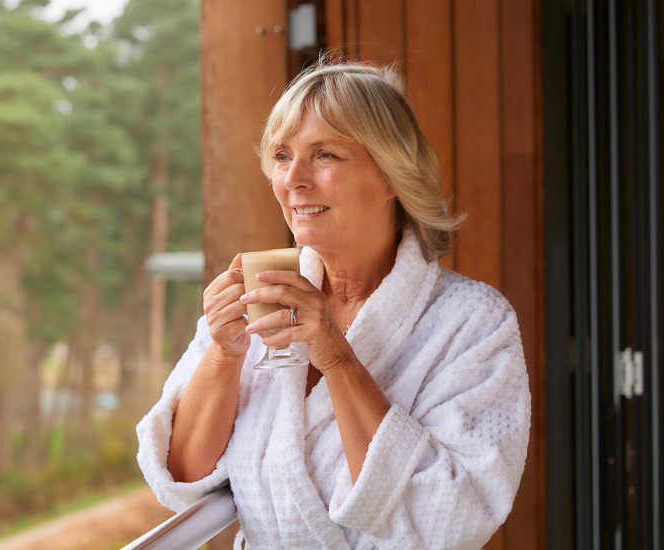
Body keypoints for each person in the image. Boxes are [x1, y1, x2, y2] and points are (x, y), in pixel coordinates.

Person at [136, 60, 531, 549]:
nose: (294, 180)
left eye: (324, 155)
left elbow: (454, 516)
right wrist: (223, 352)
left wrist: (335, 354)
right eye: (282, 156)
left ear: (391, 175)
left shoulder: (472, 323)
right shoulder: (261, 298)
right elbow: (181, 476)